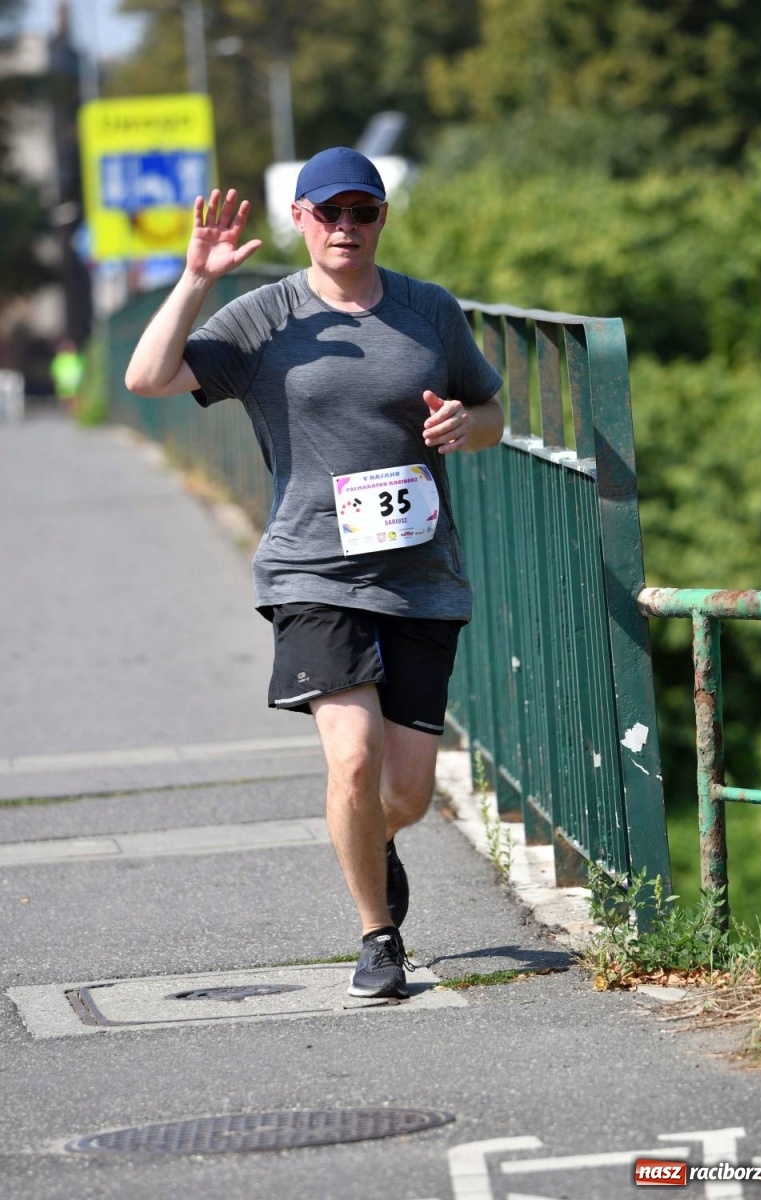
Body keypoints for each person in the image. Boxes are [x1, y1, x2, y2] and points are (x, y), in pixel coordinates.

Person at [125, 147, 504, 1000]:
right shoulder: (264, 318)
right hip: (311, 570)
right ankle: (378, 938)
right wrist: (194, 280)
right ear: (299, 219)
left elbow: (493, 411)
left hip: (419, 573)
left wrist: (462, 427)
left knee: (404, 792)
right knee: (355, 759)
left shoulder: (428, 312)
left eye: (360, 212)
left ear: (380, 219)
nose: (345, 227)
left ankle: (379, 843)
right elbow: (146, 378)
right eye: (327, 212)